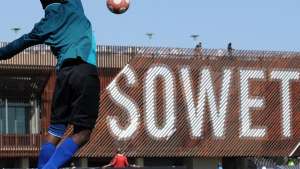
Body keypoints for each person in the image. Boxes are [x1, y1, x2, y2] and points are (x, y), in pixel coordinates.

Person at [0, 0, 99, 169]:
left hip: (63, 75)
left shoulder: (44, 25)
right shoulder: (73, 6)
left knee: (56, 129)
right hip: (84, 70)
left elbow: (16, 45)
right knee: (82, 132)